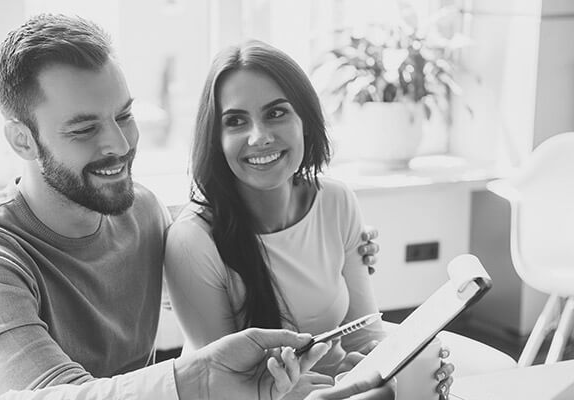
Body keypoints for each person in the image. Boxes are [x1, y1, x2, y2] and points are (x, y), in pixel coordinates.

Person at [0, 1, 382, 399]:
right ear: (18, 138)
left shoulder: (142, 211)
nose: (118, 144)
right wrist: (196, 379)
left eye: (124, 116)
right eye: (83, 128)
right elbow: (53, 394)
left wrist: (335, 236)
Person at [163, 40, 454, 398]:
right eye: (236, 121)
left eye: (276, 113)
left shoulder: (335, 201)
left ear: (305, 119)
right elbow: (222, 383)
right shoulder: (192, 240)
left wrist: (394, 366)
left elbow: (364, 331)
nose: (259, 137)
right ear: (215, 138)